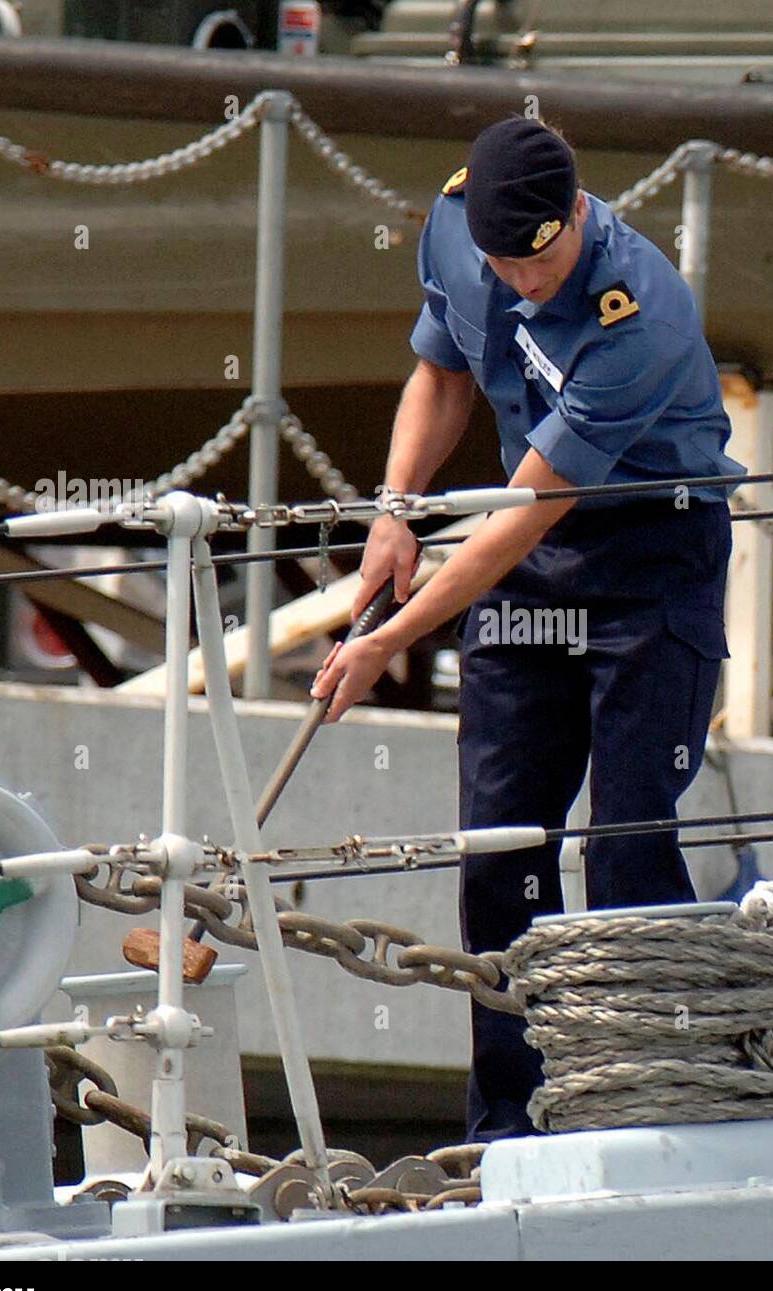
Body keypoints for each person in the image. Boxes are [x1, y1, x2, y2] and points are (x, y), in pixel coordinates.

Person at [312, 115, 740, 1141]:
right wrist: (393, 508)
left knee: (626, 840)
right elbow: (442, 372)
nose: (521, 283)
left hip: (650, 552)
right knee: (499, 844)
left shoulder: (639, 314)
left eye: (538, 260)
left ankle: (654, 1101)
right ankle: (507, 1122)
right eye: (502, 264)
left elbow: (522, 512)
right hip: (529, 554)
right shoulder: (457, 232)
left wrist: (386, 638)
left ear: (575, 217)